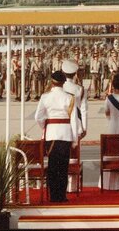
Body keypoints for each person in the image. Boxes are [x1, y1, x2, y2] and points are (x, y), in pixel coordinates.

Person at [34, 71, 76, 203]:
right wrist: (74, 138)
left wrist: (45, 127)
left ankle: (53, 196)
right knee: (63, 167)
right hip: (65, 133)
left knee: (52, 166)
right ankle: (62, 196)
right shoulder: (69, 97)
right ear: (64, 83)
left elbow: (38, 117)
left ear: (52, 82)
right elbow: (74, 119)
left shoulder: (45, 97)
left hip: (51, 134)